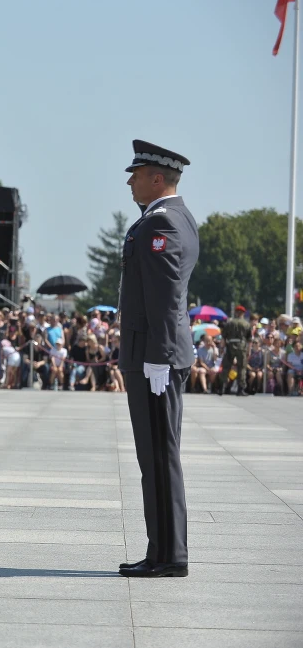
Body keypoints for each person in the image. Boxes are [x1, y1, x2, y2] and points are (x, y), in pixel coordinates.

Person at [117, 140, 198, 578]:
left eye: (136, 173)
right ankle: (165, 549)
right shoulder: (171, 218)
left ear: (157, 178)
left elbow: (165, 299)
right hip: (155, 353)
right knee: (157, 457)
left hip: (154, 357)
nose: (130, 181)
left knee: (158, 458)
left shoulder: (159, 224)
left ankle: (167, 555)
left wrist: (158, 359)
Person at [216, 305, 250, 396]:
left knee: (226, 367)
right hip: (241, 347)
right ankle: (240, 389)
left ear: (236, 312)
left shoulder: (229, 323)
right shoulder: (246, 324)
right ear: (243, 313)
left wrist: (222, 348)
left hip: (230, 346)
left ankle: (221, 388)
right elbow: (249, 339)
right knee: (241, 368)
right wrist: (248, 351)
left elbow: (224, 337)